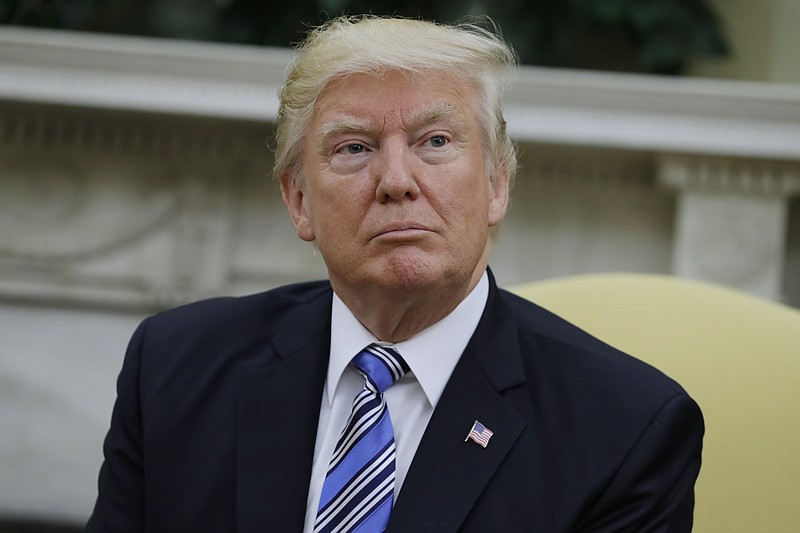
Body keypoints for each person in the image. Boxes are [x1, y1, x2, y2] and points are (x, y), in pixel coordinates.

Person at [84, 15, 703, 533]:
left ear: (495, 185)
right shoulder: (174, 366)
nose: (398, 181)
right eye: (354, 148)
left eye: (435, 141)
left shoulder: (625, 429)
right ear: (298, 200)